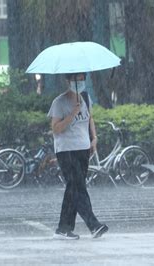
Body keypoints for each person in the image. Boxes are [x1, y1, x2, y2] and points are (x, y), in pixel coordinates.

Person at [48, 72, 108, 240]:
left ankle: (63, 228)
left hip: (83, 148)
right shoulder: (59, 102)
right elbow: (56, 128)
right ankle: (93, 225)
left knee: (73, 189)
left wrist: (94, 139)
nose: (79, 83)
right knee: (77, 187)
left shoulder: (86, 98)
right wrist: (73, 112)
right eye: (76, 79)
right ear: (68, 80)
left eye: (82, 79)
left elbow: (90, 120)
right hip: (66, 149)